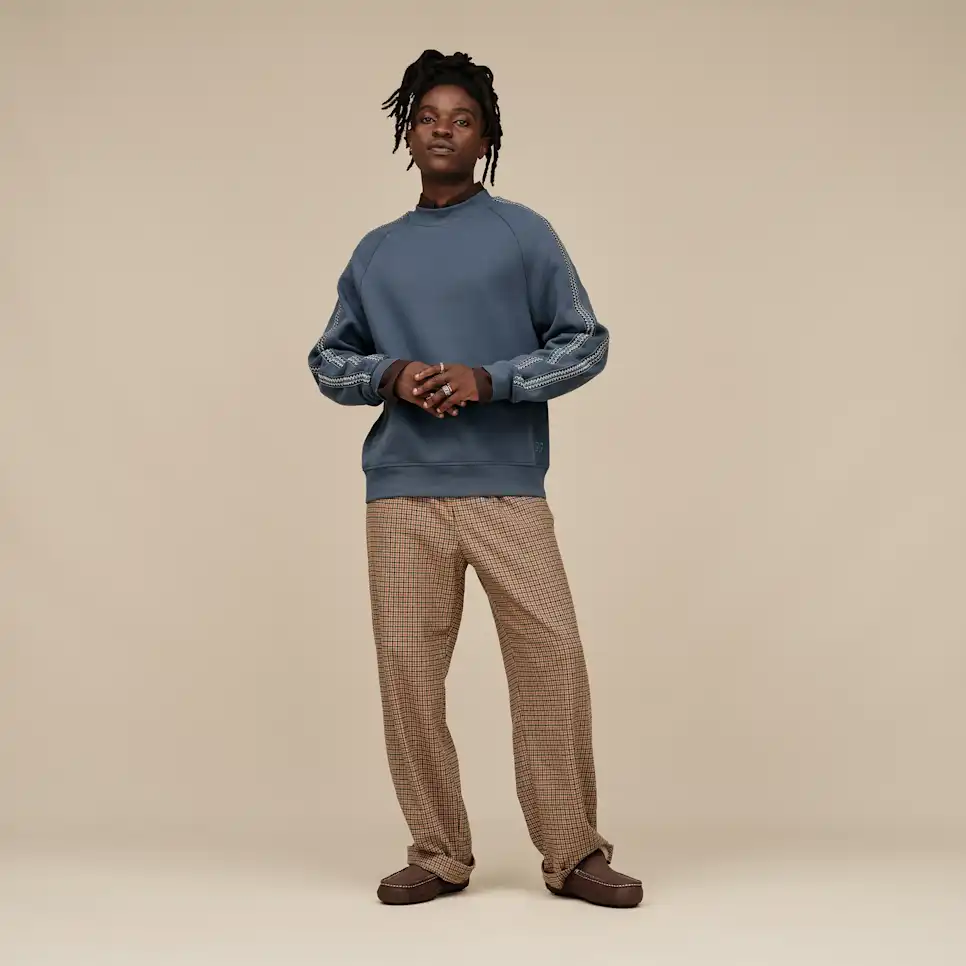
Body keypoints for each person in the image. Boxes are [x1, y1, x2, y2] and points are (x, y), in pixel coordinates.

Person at [308, 49, 642, 909]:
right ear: (407, 134)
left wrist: (490, 381)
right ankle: (439, 851)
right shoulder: (376, 252)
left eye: (461, 120)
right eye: (427, 118)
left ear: (486, 137)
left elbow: (586, 342)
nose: (442, 131)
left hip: (505, 489)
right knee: (408, 678)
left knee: (551, 660)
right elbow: (328, 360)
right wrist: (390, 374)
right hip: (401, 492)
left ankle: (573, 852)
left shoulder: (522, 234)